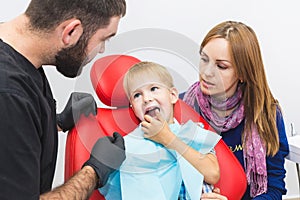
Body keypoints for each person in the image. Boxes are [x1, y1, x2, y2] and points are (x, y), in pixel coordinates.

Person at [0, 0, 127, 199]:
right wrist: (93, 171)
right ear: (71, 32)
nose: (101, 49)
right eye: (104, 39)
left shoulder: (20, 54)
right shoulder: (8, 93)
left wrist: (55, 122)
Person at [181, 21, 289, 199]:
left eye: (221, 66)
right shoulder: (180, 107)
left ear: (242, 73)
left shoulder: (266, 115)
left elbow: (274, 188)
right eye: (204, 59)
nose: (206, 72)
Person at [99, 61, 221, 200]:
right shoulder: (126, 147)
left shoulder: (194, 132)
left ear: (173, 95)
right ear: (132, 107)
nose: (146, 98)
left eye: (154, 88)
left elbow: (212, 173)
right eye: (137, 95)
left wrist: (166, 137)